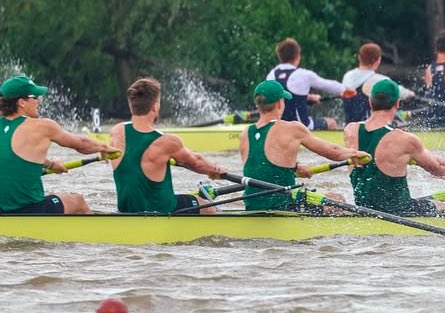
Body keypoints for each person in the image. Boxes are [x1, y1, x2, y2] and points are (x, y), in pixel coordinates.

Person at [239, 81, 369, 211]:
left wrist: (295, 167)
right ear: (279, 103)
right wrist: (354, 153)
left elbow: (261, 167)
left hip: (251, 206)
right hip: (283, 206)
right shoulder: (292, 128)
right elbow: (333, 152)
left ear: (258, 105)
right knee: (338, 199)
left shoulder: (245, 134)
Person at [0, 75, 118, 215]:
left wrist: (49, 164)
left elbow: (13, 157)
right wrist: (104, 147)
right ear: (21, 102)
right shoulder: (43, 126)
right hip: (29, 210)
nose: (39, 101)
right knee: (78, 202)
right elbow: (81, 144)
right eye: (35, 97)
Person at [109, 78, 228, 215]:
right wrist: (215, 170)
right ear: (155, 106)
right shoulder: (167, 141)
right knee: (207, 206)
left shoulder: (117, 132)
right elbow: (196, 162)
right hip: (162, 210)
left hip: (126, 210)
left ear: (131, 105)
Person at [344, 78, 445, 215]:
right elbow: (437, 169)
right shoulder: (405, 139)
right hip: (401, 211)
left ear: (370, 102)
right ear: (397, 104)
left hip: (363, 208)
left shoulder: (350, 131)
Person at [267, 37, 350, 130]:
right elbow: (328, 85)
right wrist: (347, 90)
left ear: (280, 56)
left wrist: (308, 98)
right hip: (300, 127)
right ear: (298, 56)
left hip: (276, 126)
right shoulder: (303, 74)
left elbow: (284, 96)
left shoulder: (271, 76)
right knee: (332, 123)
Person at [340, 42, 415, 124]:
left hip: (349, 125)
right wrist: (411, 94)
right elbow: (404, 94)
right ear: (378, 60)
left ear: (359, 57)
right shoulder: (380, 80)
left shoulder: (348, 76)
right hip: (370, 126)